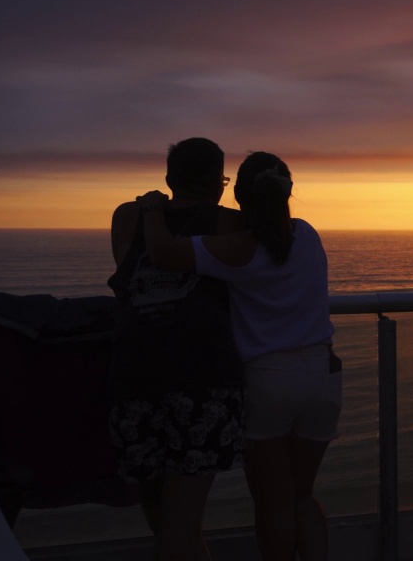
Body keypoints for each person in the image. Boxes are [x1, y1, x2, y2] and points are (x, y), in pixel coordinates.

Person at [136, 151, 339, 561]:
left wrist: (152, 208)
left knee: (273, 504)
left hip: (268, 380)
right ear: (288, 192)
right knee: (302, 497)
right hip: (322, 375)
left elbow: (162, 252)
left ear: (240, 196)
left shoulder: (237, 249)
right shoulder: (308, 234)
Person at [107, 137, 245, 561]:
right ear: (219, 183)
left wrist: (154, 210)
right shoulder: (230, 224)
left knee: (165, 516)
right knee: (181, 523)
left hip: (134, 378)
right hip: (203, 380)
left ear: (168, 178)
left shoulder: (129, 216)